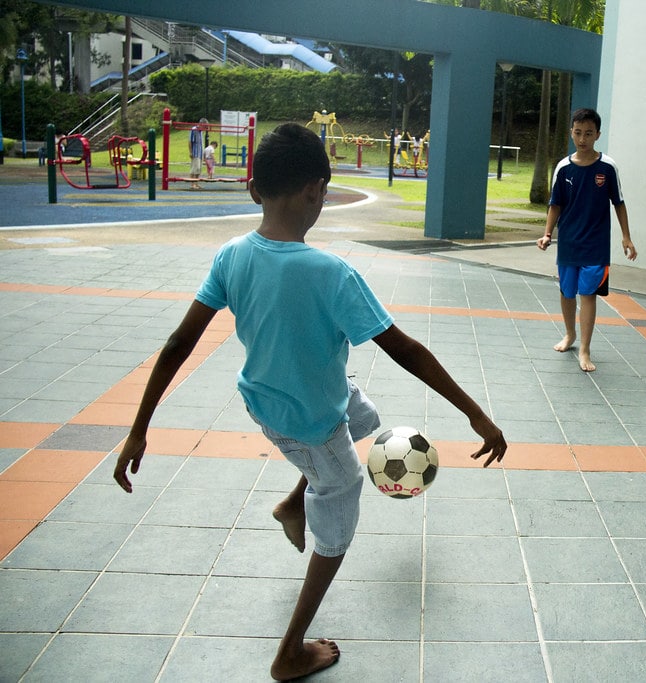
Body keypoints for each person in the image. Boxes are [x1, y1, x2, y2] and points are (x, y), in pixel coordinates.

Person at [113, 123, 507, 681]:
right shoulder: (331, 274)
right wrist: (475, 413)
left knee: (361, 411)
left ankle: (294, 502)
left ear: (254, 190)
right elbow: (405, 350)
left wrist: (138, 429)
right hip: (309, 422)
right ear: (317, 191)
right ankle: (290, 650)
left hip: (266, 404)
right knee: (341, 505)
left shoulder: (232, 255)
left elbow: (179, 343)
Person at [536, 107, 637, 372]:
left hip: (596, 246)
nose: (583, 139)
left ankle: (585, 349)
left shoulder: (608, 167)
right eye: (578, 132)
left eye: (588, 133)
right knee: (567, 292)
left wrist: (626, 237)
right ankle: (570, 334)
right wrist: (548, 233)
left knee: (588, 294)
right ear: (571, 132)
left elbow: (619, 203)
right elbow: (555, 204)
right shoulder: (563, 167)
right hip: (569, 242)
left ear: (597, 135)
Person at [188, 118, 208, 189]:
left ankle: (196, 183)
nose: (205, 128)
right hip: (195, 152)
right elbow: (190, 141)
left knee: (199, 169)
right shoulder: (194, 129)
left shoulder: (201, 132)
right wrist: (190, 152)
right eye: (205, 126)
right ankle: (192, 184)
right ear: (201, 124)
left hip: (200, 153)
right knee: (195, 168)